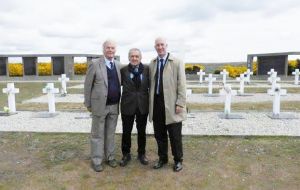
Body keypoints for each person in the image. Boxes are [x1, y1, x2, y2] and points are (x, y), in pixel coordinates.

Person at [148, 37, 187, 172]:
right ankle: (162, 158)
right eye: (157, 45)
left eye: (162, 45)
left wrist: (180, 103)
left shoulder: (176, 62)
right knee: (160, 135)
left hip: (172, 104)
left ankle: (178, 160)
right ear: (155, 47)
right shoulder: (152, 63)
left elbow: (182, 85)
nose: (160, 47)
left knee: (175, 135)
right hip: (157, 104)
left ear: (166, 46)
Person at [84, 40, 121, 172]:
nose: (110, 50)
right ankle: (97, 160)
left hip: (114, 106)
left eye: (112, 48)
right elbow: (88, 85)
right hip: (99, 106)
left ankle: (110, 157)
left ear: (115, 50)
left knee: (110, 134)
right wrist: (88, 103)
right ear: (103, 49)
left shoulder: (117, 64)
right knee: (97, 134)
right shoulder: (94, 64)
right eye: (108, 48)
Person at [119, 48, 150, 167]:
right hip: (127, 105)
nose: (134, 58)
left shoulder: (147, 70)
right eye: (132, 56)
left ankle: (141, 154)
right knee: (126, 131)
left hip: (142, 105)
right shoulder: (123, 71)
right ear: (129, 57)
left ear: (140, 58)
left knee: (141, 131)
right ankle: (126, 154)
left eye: (137, 56)